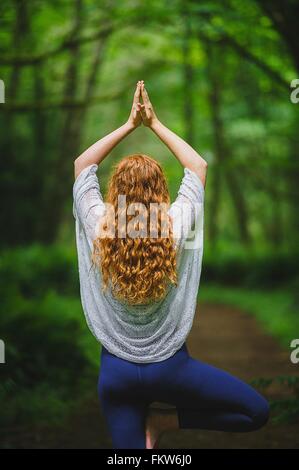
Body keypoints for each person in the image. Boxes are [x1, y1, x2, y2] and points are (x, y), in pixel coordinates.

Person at [73, 80, 270, 449]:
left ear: (115, 192)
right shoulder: (175, 227)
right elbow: (197, 165)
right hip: (171, 370)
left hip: (115, 375)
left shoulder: (99, 226)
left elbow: (83, 164)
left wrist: (129, 124)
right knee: (256, 411)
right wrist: (154, 123)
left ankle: (158, 422)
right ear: (161, 192)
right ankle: (166, 421)